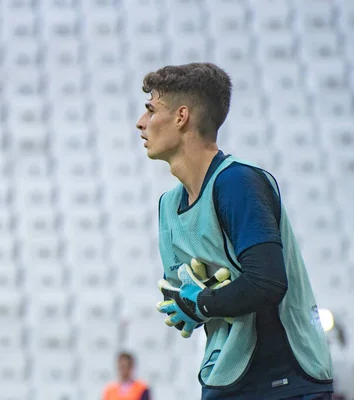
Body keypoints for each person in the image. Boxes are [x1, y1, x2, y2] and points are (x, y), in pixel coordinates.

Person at [135, 63, 334, 400]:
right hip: (224, 379)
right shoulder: (168, 206)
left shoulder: (238, 182)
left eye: (151, 110)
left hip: (284, 381)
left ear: (181, 116)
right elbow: (184, 293)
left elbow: (267, 282)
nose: (141, 123)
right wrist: (184, 303)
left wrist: (201, 303)